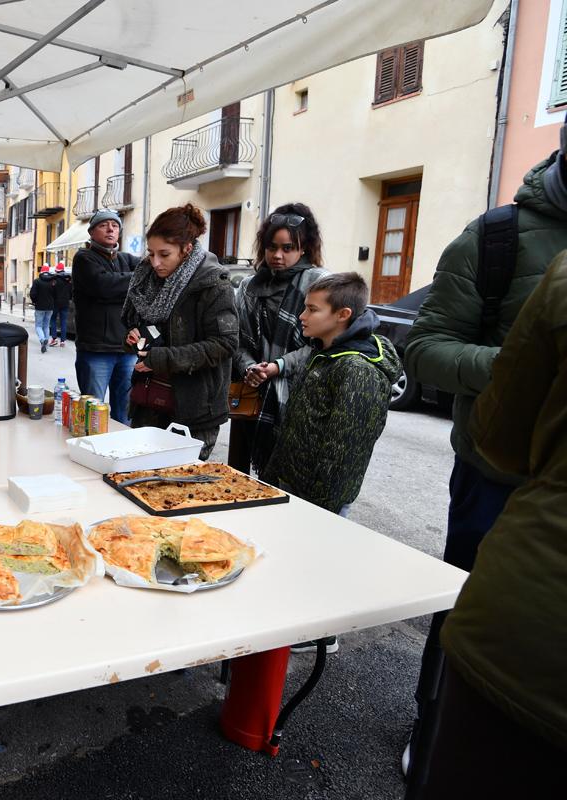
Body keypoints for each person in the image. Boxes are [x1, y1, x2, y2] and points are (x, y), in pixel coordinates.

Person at [401, 120, 567, 779]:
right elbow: (425, 348)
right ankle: (431, 723)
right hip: (494, 475)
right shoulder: (497, 237)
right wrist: (523, 363)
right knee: (468, 615)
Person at [260, 272, 399, 519]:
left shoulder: (357, 371)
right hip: (293, 486)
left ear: (342, 315)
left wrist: (319, 512)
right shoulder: (323, 351)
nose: (302, 316)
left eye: (312, 310)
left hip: (318, 504)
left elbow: (344, 454)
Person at [120, 204, 236, 460]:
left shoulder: (214, 284)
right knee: (139, 477)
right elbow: (143, 326)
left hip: (194, 409)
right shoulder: (146, 277)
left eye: (164, 254)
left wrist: (158, 359)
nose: (155, 263)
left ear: (187, 249)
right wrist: (134, 337)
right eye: (150, 254)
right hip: (148, 401)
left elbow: (224, 345)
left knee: (177, 487)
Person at [231, 203, 328, 474]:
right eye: (271, 247)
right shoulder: (250, 286)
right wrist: (249, 367)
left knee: (289, 475)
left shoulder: (320, 284)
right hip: (252, 393)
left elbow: (321, 345)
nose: (277, 255)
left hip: (300, 397)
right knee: (245, 473)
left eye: (287, 248)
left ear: (305, 247)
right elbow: (237, 340)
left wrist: (278, 366)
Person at [73, 209, 140, 423]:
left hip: (127, 349)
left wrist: (120, 282)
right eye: (104, 225)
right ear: (92, 232)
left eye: (115, 225)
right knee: (92, 415)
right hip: (96, 351)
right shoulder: (83, 258)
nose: (111, 229)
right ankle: (90, 452)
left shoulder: (127, 259)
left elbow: (150, 272)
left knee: (125, 413)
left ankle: (120, 454)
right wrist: (132, 283)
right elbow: (103, 286)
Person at [28, 264, 56, 353]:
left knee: (38, 326)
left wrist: (35, 301)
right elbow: (56, 294)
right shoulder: (53, 282)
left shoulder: (37, 281)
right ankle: (46, 345)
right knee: (46, 326)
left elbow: (32, 294)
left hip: (40, 306)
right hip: (50, 307)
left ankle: (42, 339)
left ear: (41, 272)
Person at [51, 261, 71, 346]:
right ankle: (62, 341)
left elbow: (52, 292)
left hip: (55, 303)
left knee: (53, 320)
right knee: (63, 321)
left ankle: (54, 338)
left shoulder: (55, 280)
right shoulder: (68, 280)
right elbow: (71, 292)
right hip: (65, 303)